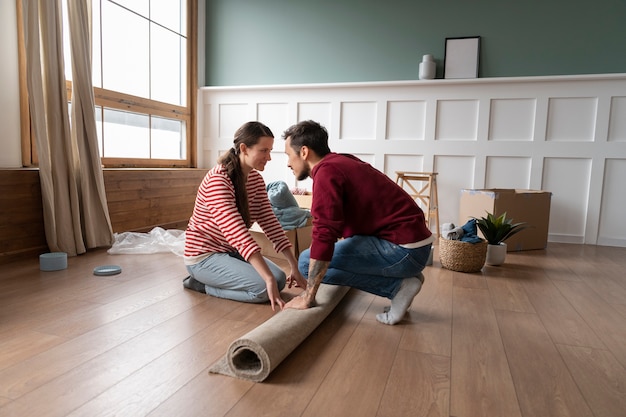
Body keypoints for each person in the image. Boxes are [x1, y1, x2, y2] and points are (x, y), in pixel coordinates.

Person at [282, 120, 434, 324]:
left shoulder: (326, 173)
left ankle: (398, 287)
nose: (288, 163)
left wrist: (308, 297)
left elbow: (325, 233)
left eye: (288, 155)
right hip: (414, 247)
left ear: (304, 152)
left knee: (304, 262)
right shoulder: (340, 161)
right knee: (318, 257)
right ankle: (404, 282)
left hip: (404, 251)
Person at [183, 121, 307, 311]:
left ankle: (256, 279)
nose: (269, 157)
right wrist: (266, 278)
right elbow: (238, 234)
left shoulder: (255, 179)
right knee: (263, 289)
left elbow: (270, 224)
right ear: (244, 148)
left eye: (270, 151)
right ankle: (200, 285)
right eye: (264, 151)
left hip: (231, 252)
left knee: (279, 279)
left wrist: (294, 266)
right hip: (204, 257)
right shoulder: (218, 180)